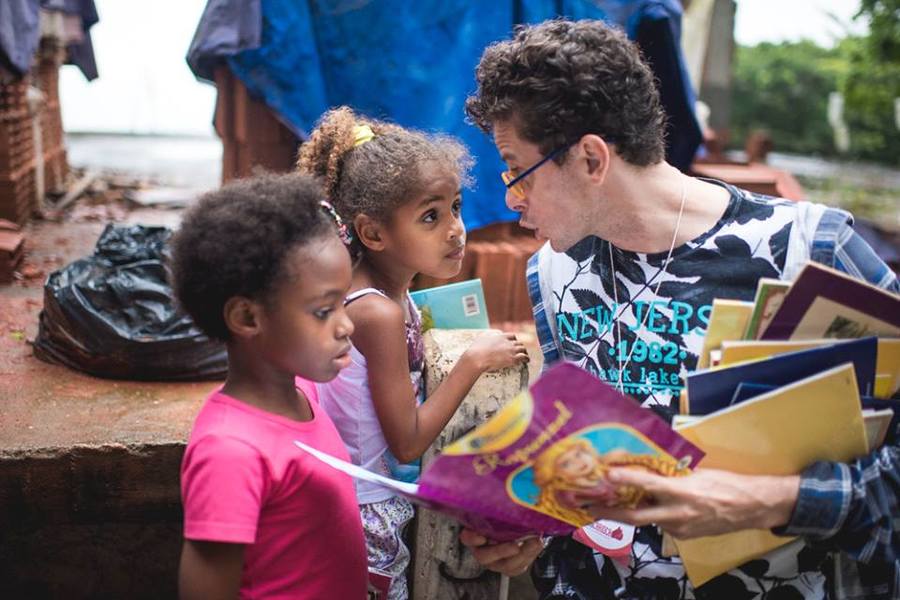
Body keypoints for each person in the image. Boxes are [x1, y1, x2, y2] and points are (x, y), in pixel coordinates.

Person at [459, 18, 900, 600]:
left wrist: (773, 500)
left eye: (518, 171)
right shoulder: (552, 272)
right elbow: (591, 475)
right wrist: (541, 534)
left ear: (592, 159)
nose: (510, 198)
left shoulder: (808, 250)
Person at [297, 106, 529, 600]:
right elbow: (407, 443)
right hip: (366, 515)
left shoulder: (385, 296)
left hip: (364, 501)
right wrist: (472, 362)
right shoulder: (375, 315)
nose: (455, 229)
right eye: (430, 216)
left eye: (456, 208)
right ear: (374, 233)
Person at [171, 174, 368, 599]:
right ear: (246, 318)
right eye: (323, 311)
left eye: (343, 303)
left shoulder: (303, 394)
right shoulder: (231, 451)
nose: (346, 325)